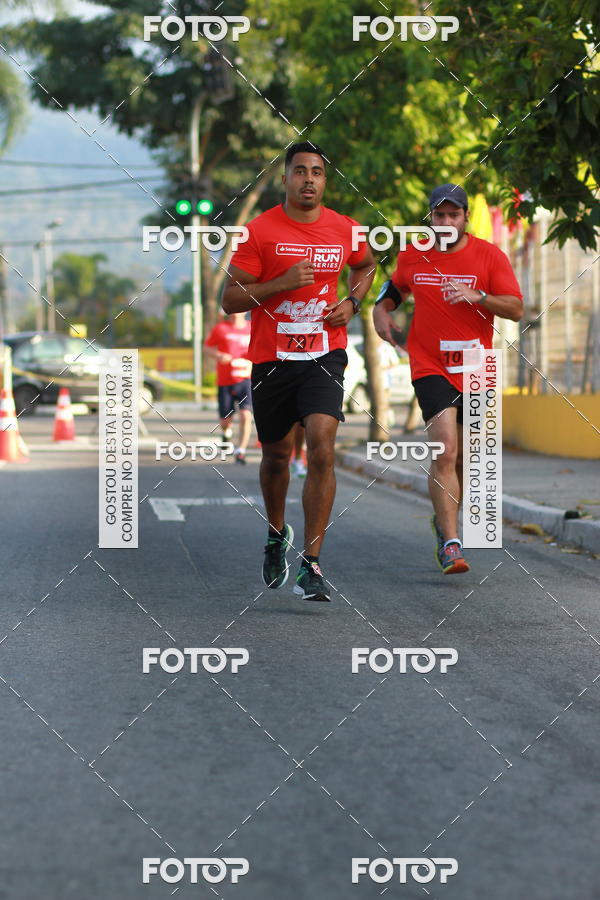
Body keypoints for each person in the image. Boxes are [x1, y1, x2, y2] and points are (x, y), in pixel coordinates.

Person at [222, 141, 375, 601]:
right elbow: (229, 299)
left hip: (324, 355)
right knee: (275, 457)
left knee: (323, 447)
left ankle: (312, 562)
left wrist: (352, 301)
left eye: (317, 172)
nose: (309, 179)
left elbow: (367, 267)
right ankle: (275, 534)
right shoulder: (259, 231)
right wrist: (280, 285)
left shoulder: (345, 229)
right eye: (300, 171)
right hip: (272, 359)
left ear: (325, 181)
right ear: (285, 178)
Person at [373, 183, 522, 574]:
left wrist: (480, 298)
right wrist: (380, 309)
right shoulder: (415, 254)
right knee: (445, 449)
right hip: (430, 364)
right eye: (439, 215)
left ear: (465, 218)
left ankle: (444, 524)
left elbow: (516, 308)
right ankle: (452, 544)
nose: (446, 222)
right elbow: (395, 288)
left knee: (467, 459)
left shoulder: (489, 256)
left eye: (453, 215)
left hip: (474, 365)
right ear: (431, 218)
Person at [204, 312, 253, 464]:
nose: (235, 312)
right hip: (225, 381)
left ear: (245, 311)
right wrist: (219, 356)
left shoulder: (252, 328)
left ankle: (241, 451)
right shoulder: (221, 328)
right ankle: (226, 433)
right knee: (225, 421)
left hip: (246, 380)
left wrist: (252, 360)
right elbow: (206, 348)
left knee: (246, 414)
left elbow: (262, 347)